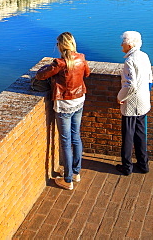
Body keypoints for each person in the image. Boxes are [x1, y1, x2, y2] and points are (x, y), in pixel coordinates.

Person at [35, 32, 90, 190]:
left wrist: (48, 66)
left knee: (65, 142)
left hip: (64, 104)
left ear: (60, 45)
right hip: (79, 100)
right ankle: (76, 173)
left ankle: (67, 179)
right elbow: (87, 73)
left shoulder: (59, 63)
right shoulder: (81, 58)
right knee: (76, 137)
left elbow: (40, 75)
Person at [116, 30, 153, 176]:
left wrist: (120, 97)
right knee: (140, 134)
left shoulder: (129, 61)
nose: (121, 45)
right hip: (144, 101)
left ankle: (127, 167)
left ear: (130, 44)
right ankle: (143, 164)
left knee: (127, 136)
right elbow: (150, 79)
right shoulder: (144, 56)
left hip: (132, 104)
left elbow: (130, 85)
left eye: (123, 42)